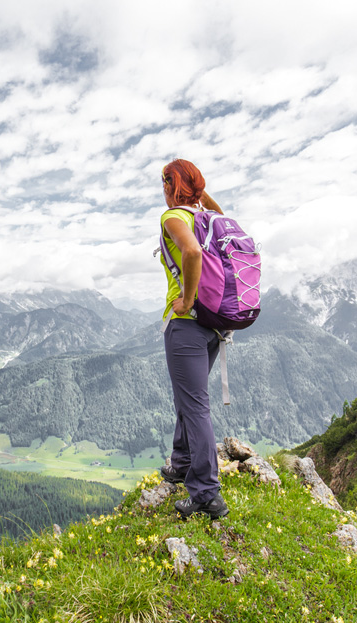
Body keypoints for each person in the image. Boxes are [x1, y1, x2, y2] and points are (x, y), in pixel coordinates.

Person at [157, 158, 230, 520]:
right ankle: (182, 462)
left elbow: (192, 252)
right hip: (214, 324)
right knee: (189, 399)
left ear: (172, 185)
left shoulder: (173, 219)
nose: (161, 190)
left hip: (187, 322)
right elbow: (224, 214)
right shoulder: (207, 219)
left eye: (164, 183)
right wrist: (199, 193)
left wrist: (185, 299)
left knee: (194, 404)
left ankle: (206, 494)